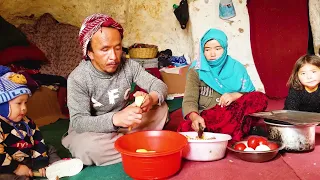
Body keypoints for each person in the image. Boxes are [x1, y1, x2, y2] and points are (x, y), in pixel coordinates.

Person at [62, 14, 168, 166]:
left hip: (124, 125)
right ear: (89, 53)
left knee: (161, 108)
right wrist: (115, 119)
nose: (114, 57)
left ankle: (125, 143)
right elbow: (79, 121)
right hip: (93, 132)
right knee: (86, 148)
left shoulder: (129, 66)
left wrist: (150, 98)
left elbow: (159, 86)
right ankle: (138, 142)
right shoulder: (78, 78)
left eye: (117, 48)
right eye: (105, 49)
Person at [177, 28, 268, 141]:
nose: (212, 53)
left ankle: (230, 131)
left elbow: (251, 94)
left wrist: (234, 95)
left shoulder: (237, 68)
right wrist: (195, 117)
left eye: (217, 48)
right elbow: (190, 99)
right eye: (207, 49)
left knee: (259, 98)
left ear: (224, 48)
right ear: (202, 50)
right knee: (185, 128)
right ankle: (239, 131)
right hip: (208, 118)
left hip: (233, 113)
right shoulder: (196, 70)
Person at [0, 66, 83, 180]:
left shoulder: (27, 122)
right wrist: (16, 168)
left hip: (28, 157)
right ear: (2, 105)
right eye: (19, 103)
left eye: (25, 103)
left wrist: (40, 162)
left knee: (49, 148)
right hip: (8, 164)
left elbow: (38, 140)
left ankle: (55, 166)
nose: (24, 108)